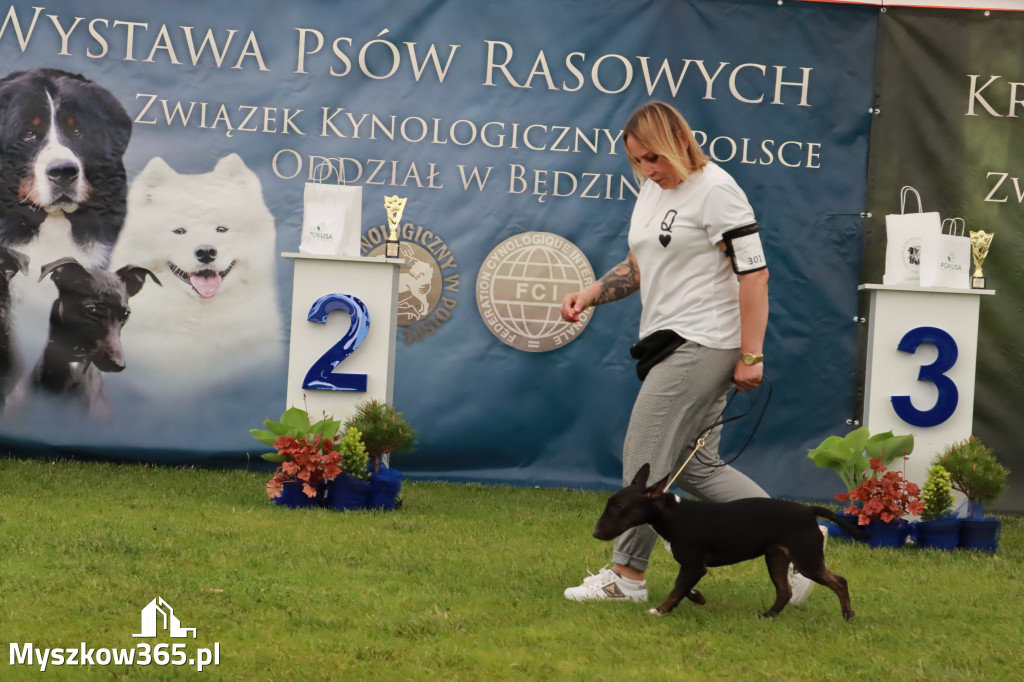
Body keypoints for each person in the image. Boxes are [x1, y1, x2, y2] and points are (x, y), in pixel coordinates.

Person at [560, 101, 820, 606]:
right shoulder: (650, 190)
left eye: (653, 158)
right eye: (636, 161)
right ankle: (798, 533)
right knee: (698, 467)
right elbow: (641, 263)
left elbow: (756, 274)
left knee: (644, 458)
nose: (647, 170)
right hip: (670, 342)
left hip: (704, 342)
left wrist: (752, 354)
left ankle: (626, 577)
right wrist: (591, 292)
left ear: (682, 141)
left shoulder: (718, 192)